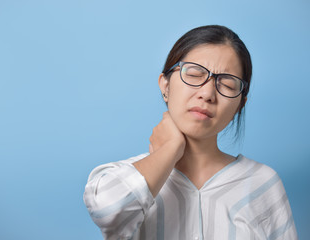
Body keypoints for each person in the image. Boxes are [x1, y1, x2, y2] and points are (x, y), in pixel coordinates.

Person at [83, 25, 298, 240]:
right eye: (195, 74)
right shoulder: (122, 176)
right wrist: (171, 148)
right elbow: (107, 212)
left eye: (227, 85)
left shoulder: (262, 183)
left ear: (239, 106)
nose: (207, 94)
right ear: (165, 86)